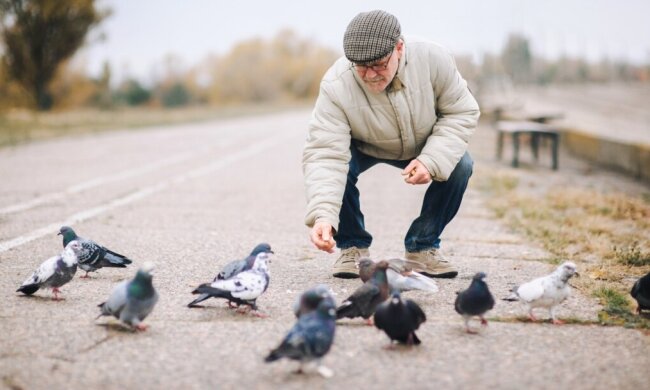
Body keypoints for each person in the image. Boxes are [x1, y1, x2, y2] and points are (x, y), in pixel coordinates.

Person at [302, 10, 479, 279]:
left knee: (461, 164)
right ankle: (352, 247)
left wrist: (431, 161)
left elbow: (461, 111)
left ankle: (423, 247)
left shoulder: (434, 59)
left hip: (424, 143)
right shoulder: (335, 84)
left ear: (399, 47)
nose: (370, 75)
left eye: (379, 65)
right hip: (364, 145)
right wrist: (324, 216)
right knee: (342, 165)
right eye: (361, 66)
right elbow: (326, 154)